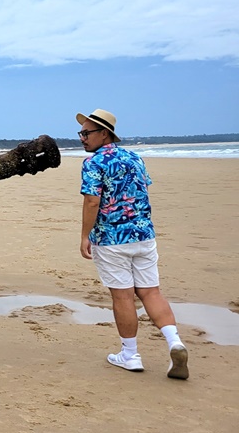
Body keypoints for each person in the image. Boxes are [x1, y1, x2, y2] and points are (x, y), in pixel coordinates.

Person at [77, 108, 189, 380]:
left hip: (112, 239)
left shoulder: (94, 163)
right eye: (80, 133)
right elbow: (142, 191)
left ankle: (130, 354)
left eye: (87, 133)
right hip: (143, 235)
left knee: (123, 295)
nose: (82, 138)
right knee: (151, 292)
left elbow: (92, 200)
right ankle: (174, 341)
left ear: (105, 134)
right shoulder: (135, 158)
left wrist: (84, 235)